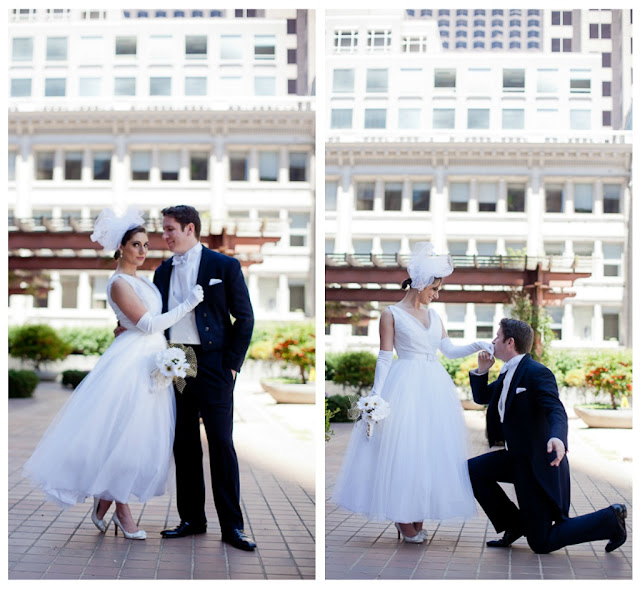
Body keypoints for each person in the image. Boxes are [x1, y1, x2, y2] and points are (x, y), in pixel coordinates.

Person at [24, 208, 204, 540]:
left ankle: (105, 500)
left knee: (135, 438)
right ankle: (122, 512)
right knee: (125, 436)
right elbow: (148, 323)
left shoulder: (142, 280)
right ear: (120, 248)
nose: (143, 251)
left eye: (146, 245)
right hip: (130, 365)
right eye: (136, 244)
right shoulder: (118, 282)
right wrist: (189, 303)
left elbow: (145, 322)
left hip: (152, 360)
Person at [332, 242, 493, 543]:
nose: (436, 294)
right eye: (434, 288)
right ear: (419, 284)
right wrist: (376, 396)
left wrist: (477, 346)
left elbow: (447, 348)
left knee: (429, 451)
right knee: (404, 450)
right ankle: (402, 516)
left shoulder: (436, 317)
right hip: (404, 385)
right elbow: (384, 356)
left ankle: (415, 512)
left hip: (434, 387)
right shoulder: (390, 314)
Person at [468, 318, 628, 554]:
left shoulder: (536, 373)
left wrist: (558, 438)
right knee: (472, 470)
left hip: (538, 464)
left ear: (510, 342)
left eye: (497, 336)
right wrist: (482, 371)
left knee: (542, 543)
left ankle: (610, 519)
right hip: (516, 458)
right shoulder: (507, 373)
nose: (492, 341)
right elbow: (483, 398)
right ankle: (515, 524)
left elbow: (556, 409)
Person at [153, 205, 256, 551]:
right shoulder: (162, 270)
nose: (164, 236)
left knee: (221, 444)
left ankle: (232, 527)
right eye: (163, 229)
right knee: (184, 443)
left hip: (212, 363)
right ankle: (192, 519)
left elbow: (245, 318)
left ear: (190, 228)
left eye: (169, 229)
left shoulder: (223, 265)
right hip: (178, 362)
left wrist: (231, 365)